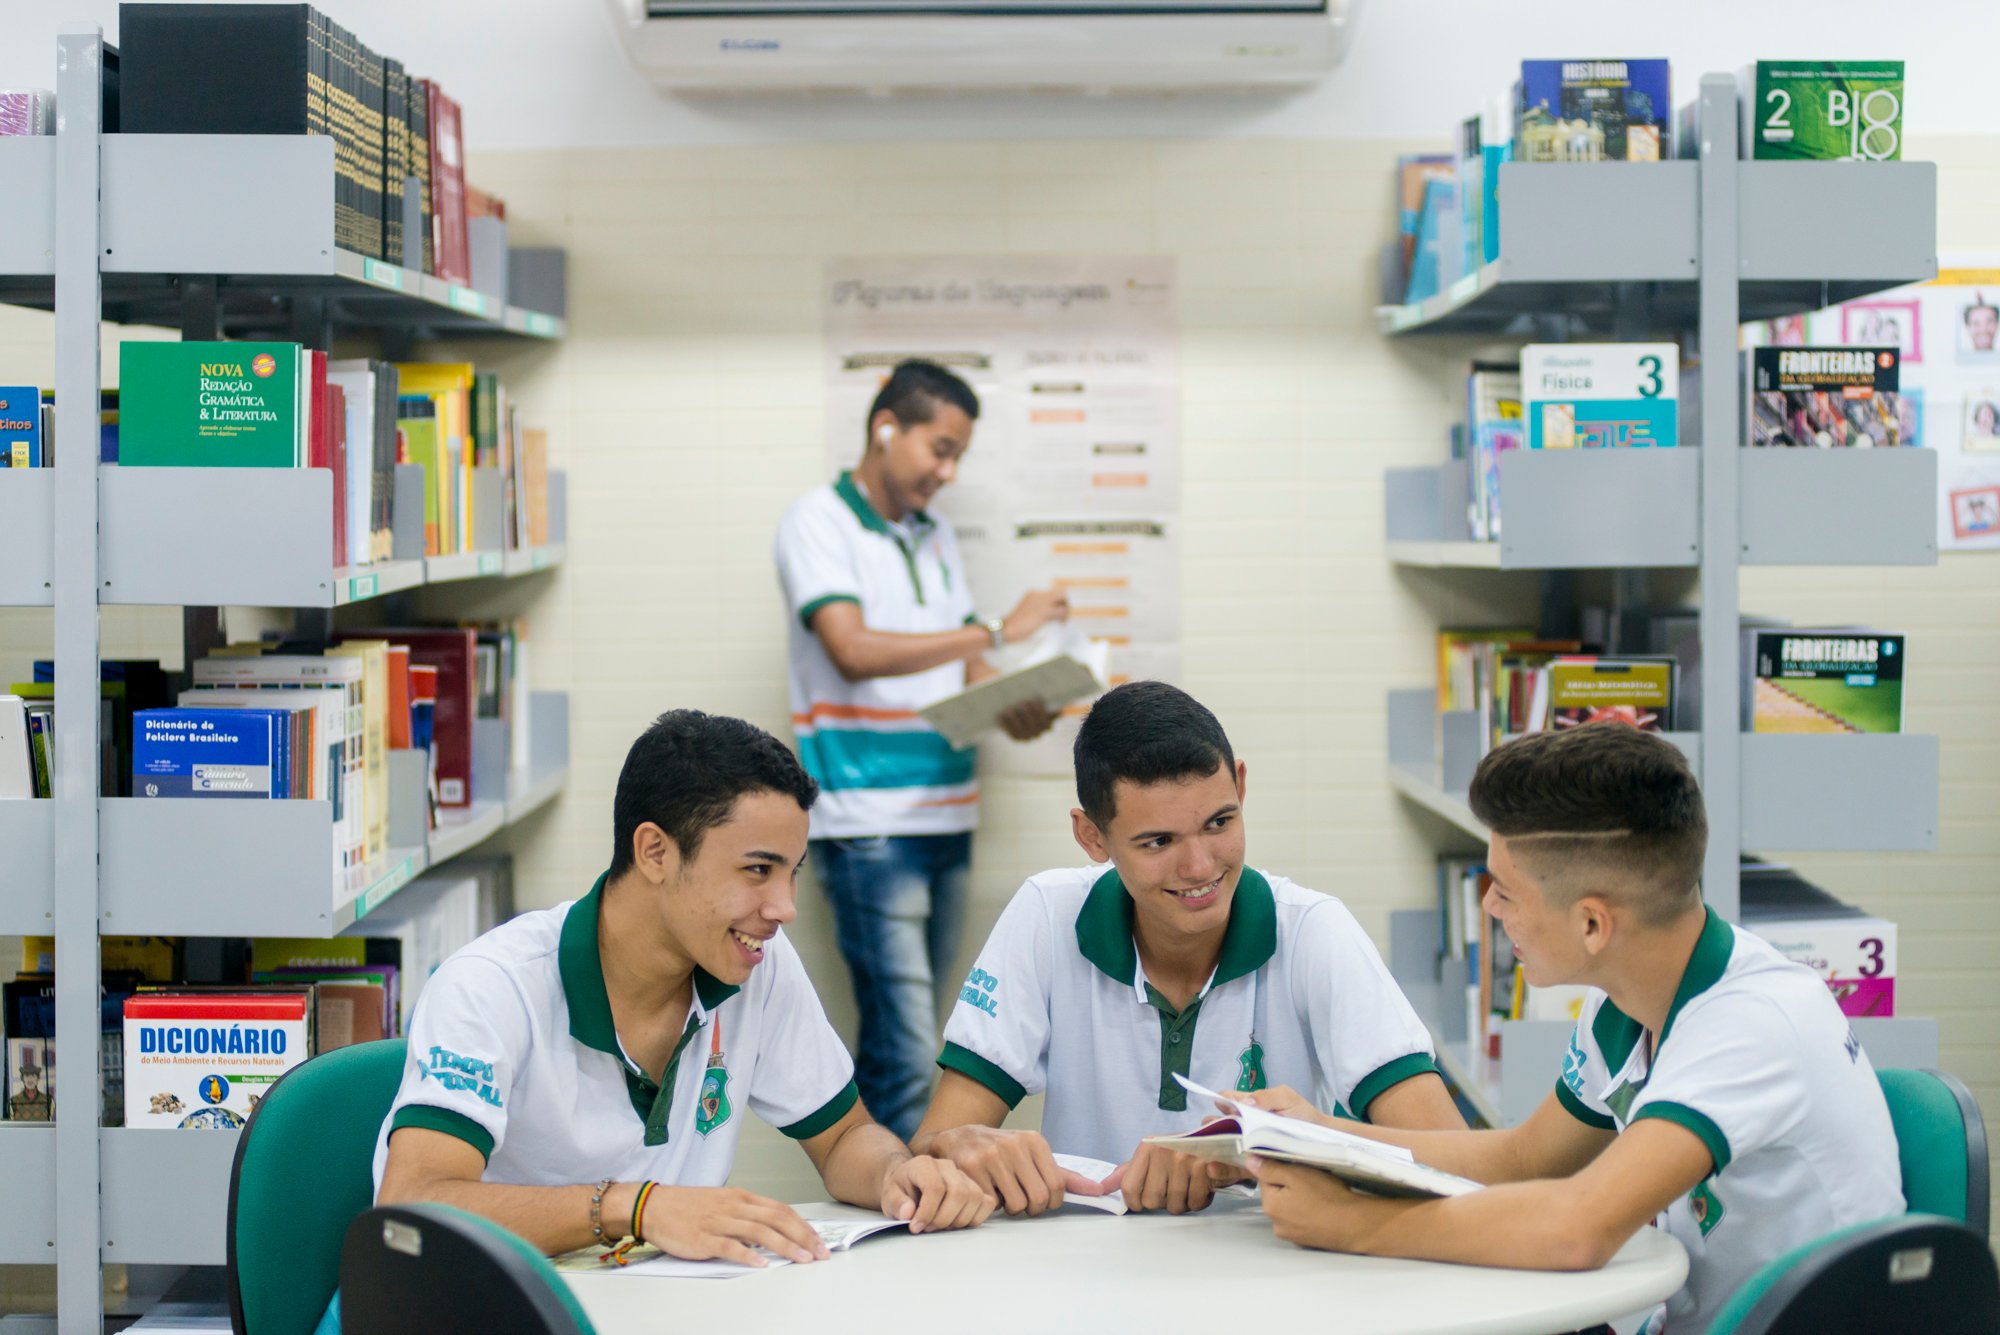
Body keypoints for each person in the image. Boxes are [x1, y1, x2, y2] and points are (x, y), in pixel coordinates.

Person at [316, 712, 992, 1333]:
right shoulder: (493, 985)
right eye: (758, 870)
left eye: (792, 872)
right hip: (463, 1313)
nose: (784, 906)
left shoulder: (755, 965)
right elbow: (413, 1202)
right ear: (655, 851)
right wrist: (636, 1207)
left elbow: (843, 1137)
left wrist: (896, 1175)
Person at [1234, 725, 1903, 1335]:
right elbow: (1524, 1159)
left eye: (1503, 890)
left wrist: (1353, 1225)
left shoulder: (1752, 1026)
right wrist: (1316, 1133)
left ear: (1592, 923)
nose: (1489, 908)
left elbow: (1577, 1228)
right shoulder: (1626, 1003)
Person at [911, 681, 1464, 1217]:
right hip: (1083, 1275)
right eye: (1158, 842)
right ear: (1091, 837)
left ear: (1241, 785)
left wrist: (1264, 1152)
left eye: (1219, 822)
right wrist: (959, 1148)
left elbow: (1453, 1160)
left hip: (1273, 1268)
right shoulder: (1045, 914)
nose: (1201, 868)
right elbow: (932, 1143)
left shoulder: (1314, 931)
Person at [774, 359, 1069, 1141]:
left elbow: (960, 666)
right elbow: (853, 650)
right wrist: (1002, 630)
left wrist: (1011, 702)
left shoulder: (935, 536)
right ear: (885, 428)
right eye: (939, 449)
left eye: (958, 456)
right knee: (904, 1054)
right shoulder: (816, 522)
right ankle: (906, 1217)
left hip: (947, 815)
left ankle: (894, 1203)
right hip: (869, 823)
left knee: (921, 1043)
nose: (948, 471)